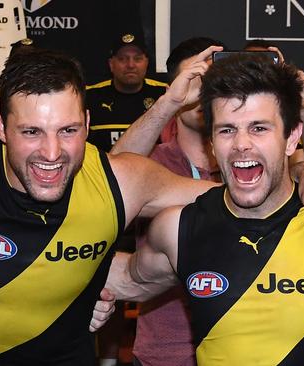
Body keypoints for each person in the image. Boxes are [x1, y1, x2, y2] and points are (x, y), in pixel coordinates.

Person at [0, 47, 214, 365]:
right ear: (1, 126)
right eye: (31, 131)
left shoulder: (118, 181)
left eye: (68, 130)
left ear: (86, 123)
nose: (52, 153)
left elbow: (237, 202)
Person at [106, 54, 304, 365]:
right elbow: (126, 278)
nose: (241, 144)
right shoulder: (178, 228)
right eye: (226, 130)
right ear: (211, 143)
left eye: (259, 128)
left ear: (291, 138)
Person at [112, 37, 223, 366]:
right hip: (164, 353)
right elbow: (111, 186)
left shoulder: (246, 162)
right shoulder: (153, 162)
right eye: (195, 81)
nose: (204, 94)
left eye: (215, 83)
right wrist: (169, 102)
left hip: (238, 349)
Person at [86, 31, 167, 151]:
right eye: (122, 59)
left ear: (147, 63)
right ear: (111, 64)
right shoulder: (90, 96)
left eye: (138, 59)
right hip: (103, 168)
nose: (130, 65)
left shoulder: (164, 94)